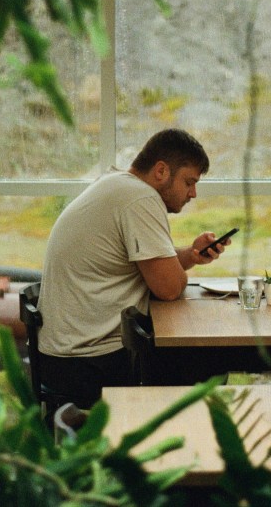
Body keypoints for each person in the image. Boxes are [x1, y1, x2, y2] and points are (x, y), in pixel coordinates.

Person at [37, 128, 229, 409]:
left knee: (194, 358)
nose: (194, 193)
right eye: (189, 182)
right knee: (209, 362)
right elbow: (169, 288)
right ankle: (179, 446)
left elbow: (133, 263)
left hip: (63, 358)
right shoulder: (140, 198)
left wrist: (190, 255)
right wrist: (177, 273)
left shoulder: (117, 184)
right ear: (161, 171)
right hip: (88, 363)